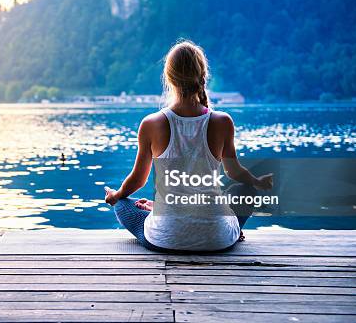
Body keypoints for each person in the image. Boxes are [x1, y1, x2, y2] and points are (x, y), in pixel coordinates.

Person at [104, 40, 273, 252]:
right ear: (203, 76)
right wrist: (257, 181)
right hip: (217, 239)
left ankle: (158, 212)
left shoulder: (151, 124)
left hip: (166, 238)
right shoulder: (223, 122)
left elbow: (138, 180)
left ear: (168, 77)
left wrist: (115, 196)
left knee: (123, 202)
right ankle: (230, 230)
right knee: (247, 188)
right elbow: (235, 172)